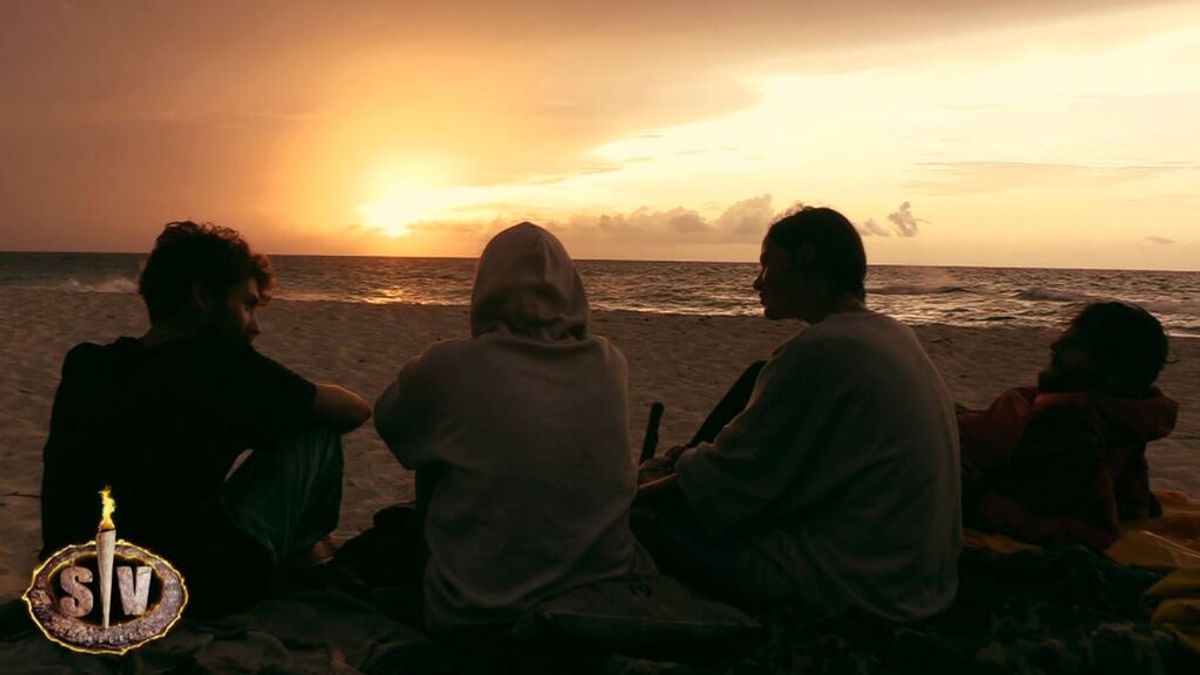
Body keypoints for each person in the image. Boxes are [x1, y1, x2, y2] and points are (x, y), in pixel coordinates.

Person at [635, 206, 961, 621]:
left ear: (806, 257)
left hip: (862, 584)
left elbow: (729, 484)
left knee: (647, 520)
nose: (757, 282)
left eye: (767, 264)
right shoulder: (893, 333)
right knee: (753, 382)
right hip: (921, 576)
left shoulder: (820, 351)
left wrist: (635, 495)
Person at [40, 221, 371, 615]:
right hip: (182, 590)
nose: (256, 326)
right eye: (247, 305)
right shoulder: (223, 367)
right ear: (202, 297)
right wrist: (284, 399)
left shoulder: (86, 364)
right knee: (316, 430)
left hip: (73, 589)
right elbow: (355, 410)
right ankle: (305, 556)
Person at [374, 222, 653, 632]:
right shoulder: (609, 362)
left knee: (435, 448)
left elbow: (392, 425)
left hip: (475, 609)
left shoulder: (451, 364)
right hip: (599, 596)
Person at [959, 301, 1177, 550]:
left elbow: (1090, 532)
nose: (1056, 345)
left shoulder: (1069, 425)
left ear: (1115, 372)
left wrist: (974, 499)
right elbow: (1134, 503)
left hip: (945, 450)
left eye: (1076, 345)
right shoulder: (1126, 411)